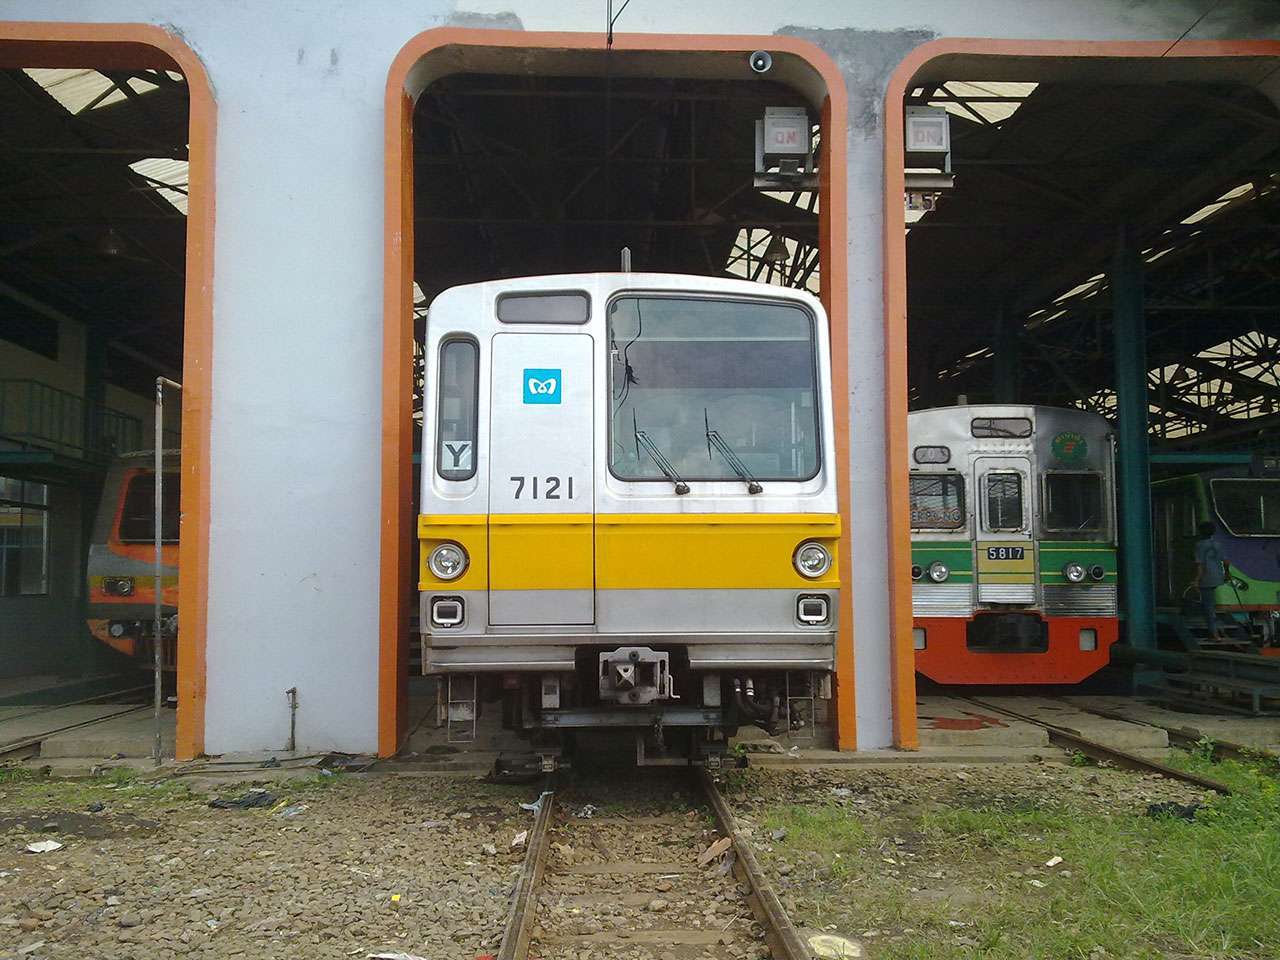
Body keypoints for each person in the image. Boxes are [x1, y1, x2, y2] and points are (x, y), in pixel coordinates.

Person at [1192, 521, 1226, 642]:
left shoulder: (1200, 545)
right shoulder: (1217, 544)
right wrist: (1227, 574)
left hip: (1206, 578)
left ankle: (1215, 634)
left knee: (1208, 607)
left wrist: (1196, 580)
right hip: (1218, 576)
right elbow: (1225, 561)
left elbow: (1200, 565)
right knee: (1210, 604)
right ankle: (1216, 631)